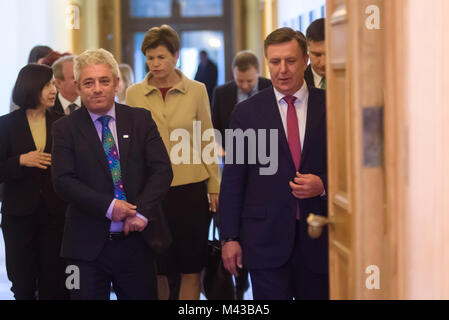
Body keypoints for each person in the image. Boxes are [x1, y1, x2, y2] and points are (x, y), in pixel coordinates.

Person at [51, 48, 173, 300]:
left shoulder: (140, 120)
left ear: (116, 84)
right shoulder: (64, 128)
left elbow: (162, 170)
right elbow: (63, 181)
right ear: (78, 86)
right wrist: (109, 206)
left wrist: (140, 212)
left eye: (104, 81)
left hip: (136, 243)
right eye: (89, 82)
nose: (97, 88)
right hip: (85, 248)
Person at [219, 27, 329, 300]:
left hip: (319, 238)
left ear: (305, 61)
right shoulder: (247, 113)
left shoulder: (331, 106)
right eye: (274, 61)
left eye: (290, 61)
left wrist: (324, 183)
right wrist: (229, 237)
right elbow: (234, 179)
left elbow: (352, 170)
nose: (282, 70)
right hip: (264, 240)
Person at [126, 24, 220, 300]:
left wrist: (214, 184)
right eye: (150, 57)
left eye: (161, 57)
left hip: (190, 189)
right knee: (158, 268)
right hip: (151, 193)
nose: (155, 64)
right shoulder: (133, 94)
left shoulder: (197, 90)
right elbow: (129, 145)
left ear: (176, 56)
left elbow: (206, 138)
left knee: (191, 267)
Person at [0, 64, 68, 300]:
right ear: (32, 87)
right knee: (22, 282)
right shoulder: (5, 125)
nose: (54, 90)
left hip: (54, 214)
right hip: (18, 215)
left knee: (54, 280)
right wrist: (21, 160)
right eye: (48, 85)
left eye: (53, 84)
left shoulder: (62, 123)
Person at [212, 50, 272, 154]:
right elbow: (215, 125)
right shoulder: (221, 93)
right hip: (231, 153)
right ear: (234, 74)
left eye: (249, 81)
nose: (244, 86)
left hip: (267, 152)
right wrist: (218, 146)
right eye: (239, 81)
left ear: (258, 72)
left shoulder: (271, 88)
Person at [304, 18, 326, 89]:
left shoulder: (355, 79)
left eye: (329, 55)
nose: (323, 63)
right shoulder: (296, 82)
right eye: (317, 55)